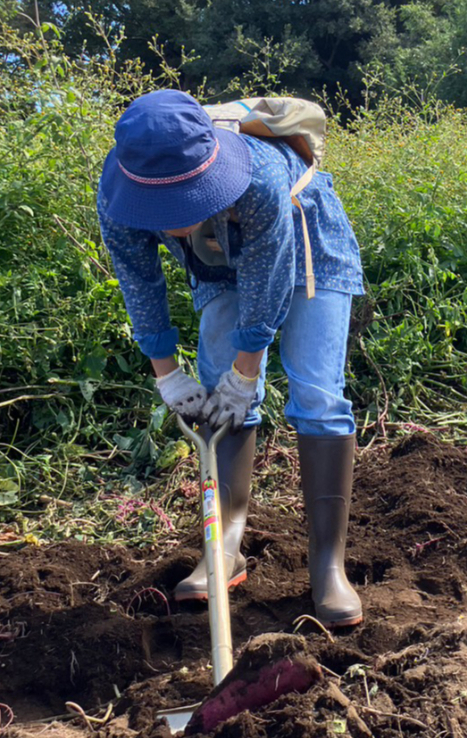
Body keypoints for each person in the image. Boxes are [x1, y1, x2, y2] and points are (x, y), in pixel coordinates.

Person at [97, 89, 364, 628]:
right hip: (217, 258)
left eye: (186, 201)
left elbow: (266, 287)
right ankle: (226, 544)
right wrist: (167, 375)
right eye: (161, 210)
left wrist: (249, 373)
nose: (171, 221)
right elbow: (140, 282)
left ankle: (327, 566)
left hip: (311, 241)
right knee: (221, 387)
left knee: (316, 392)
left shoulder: (260, 174)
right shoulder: (118, 194)